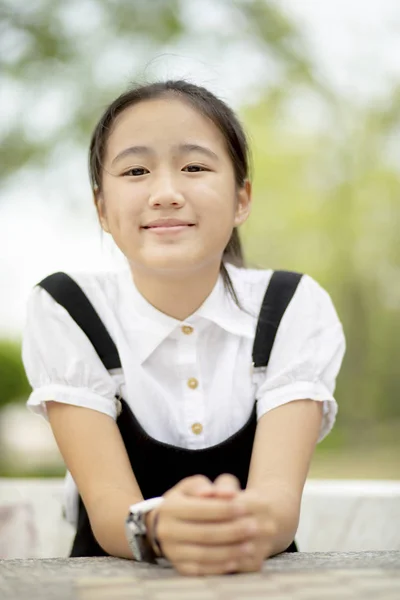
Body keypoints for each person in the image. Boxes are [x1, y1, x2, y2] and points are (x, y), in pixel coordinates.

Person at [21, 79, 345, 576]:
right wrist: (162, 527)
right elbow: (111, 513)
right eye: (135, 170)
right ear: (102, 208)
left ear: (242, 198)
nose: (166, 193)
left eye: (194, 167)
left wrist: (234, 524)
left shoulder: (293, 305)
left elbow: (278, 509)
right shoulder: (66, 306)